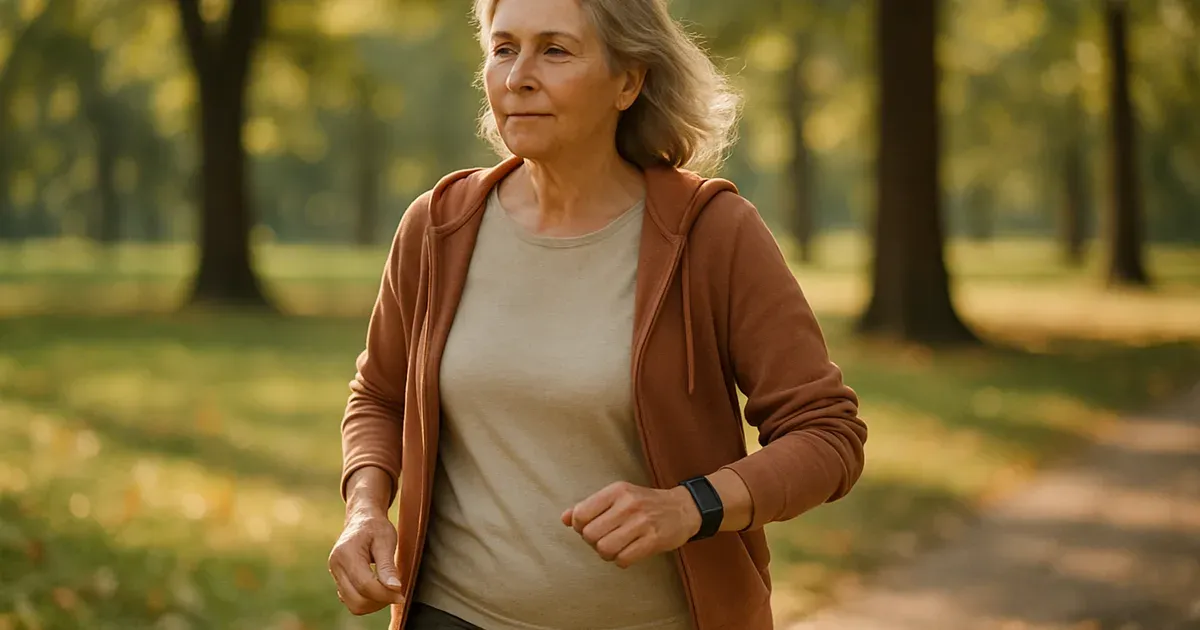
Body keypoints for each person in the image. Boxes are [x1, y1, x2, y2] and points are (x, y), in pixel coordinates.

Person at [328, 0, 867, 627]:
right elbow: (379, 394)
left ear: (629, 81)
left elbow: (828, 435)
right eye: (504, 48)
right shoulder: (439, 224)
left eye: (555, 50)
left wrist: (691, 506)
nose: (519, 75)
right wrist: (365, 507)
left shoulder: (712, 234)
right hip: (451, 614)